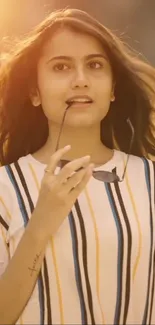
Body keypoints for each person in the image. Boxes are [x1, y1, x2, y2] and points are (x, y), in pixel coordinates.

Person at [0, 7, 155, 325]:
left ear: (112, 88)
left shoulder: (151, 181)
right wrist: (41, 223)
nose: (81, 81)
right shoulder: (4, 189)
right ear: (34, 92)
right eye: (61, 67)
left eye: (95, 65)